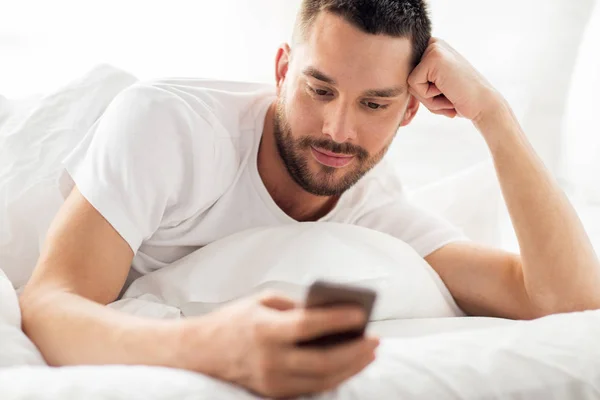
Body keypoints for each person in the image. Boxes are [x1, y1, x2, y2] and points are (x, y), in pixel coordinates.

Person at [20, 0, 600, 398]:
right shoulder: (171, 128)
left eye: (374, 104)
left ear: (409, 110)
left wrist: (493, 116)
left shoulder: (374, 209)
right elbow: (48, 305)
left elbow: (563, 301)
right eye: (319, 89)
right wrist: (211, 349)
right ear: (282, 69)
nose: (338, 131)